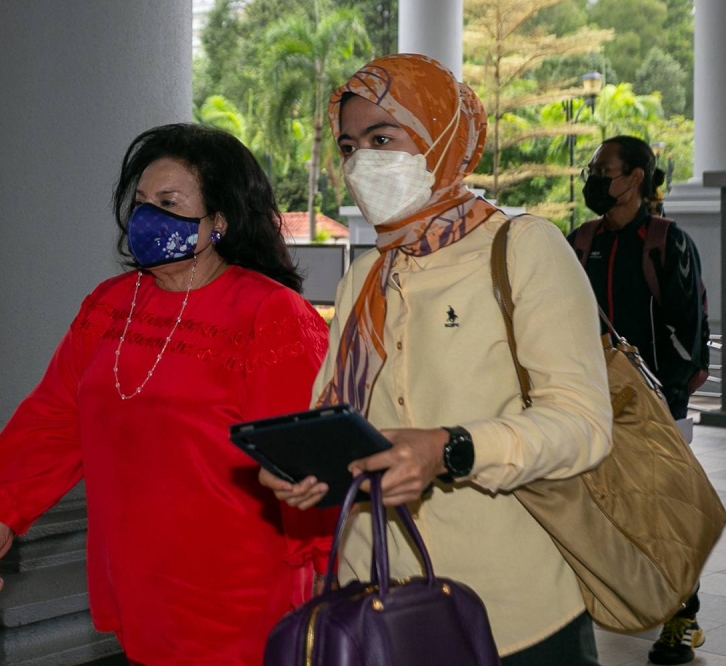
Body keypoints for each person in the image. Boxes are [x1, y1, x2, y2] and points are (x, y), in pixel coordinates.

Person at [261, 53, 613, 665]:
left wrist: (449, 448)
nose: (361, 162)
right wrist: (304, 467)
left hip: (513, 612)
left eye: (382, 137)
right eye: (349, 146)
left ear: (441, 134)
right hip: (374, 598)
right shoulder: (366, 273)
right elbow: (333, 412)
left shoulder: (524, 248)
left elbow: (582, 425)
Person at [0, 123, 333, 665]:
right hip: (137, 575)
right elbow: (55, 417)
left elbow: (303, 461)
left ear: (220, 221)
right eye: (140, 201)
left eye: (168, 201)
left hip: (239, 585)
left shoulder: (270, 314)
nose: (147, 215)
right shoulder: (109, 305)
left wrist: (326, 568)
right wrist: (4, 513)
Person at [567, 135, 710, 666]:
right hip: (591, 400)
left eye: (605, 170)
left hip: (652, 403)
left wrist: (666, 396)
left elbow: (689, 333)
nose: (595, 179)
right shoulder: (581, 240)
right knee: (598, 505)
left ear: (636, 179)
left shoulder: (665, 243)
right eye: (594, 169)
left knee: (663, 513)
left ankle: (682, 618)